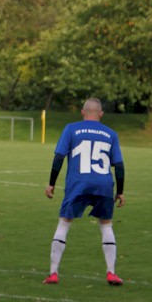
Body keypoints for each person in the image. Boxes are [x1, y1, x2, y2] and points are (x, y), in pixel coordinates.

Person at [43, 97, 126, 286]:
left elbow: (59, 157)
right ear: (101, 114)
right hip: (103, 185)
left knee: (64, 224)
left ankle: (53, 273)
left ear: (82, 112)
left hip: (78, 184)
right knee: (106, 226)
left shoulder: (71, 129)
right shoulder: (111, 134)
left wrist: (51, 183)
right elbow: (119, 166)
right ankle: (111, 272)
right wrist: (120, 191)